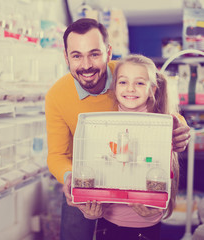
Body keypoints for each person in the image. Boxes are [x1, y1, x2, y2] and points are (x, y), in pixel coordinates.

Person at [45, 18, 190, 240]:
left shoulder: (126, 75)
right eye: (76, 55)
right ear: (66, 57)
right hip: (88, 181)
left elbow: (159, 106)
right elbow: (57, 155)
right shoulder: (57, 95)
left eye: (94, 54)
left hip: (134, 180)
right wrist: (70, 178)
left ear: (109, 52)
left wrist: (179, 125)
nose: (86, 65)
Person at [76, 54, 180, 240]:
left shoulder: (163, 126)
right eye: (123, 82)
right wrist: (91, 210)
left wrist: (155, 210)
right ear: (115, 87)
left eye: (140, 83)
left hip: (145, 226)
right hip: (107, 223)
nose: (130, 88)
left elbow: (162, 177)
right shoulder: (101, 125)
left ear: (152, 89)